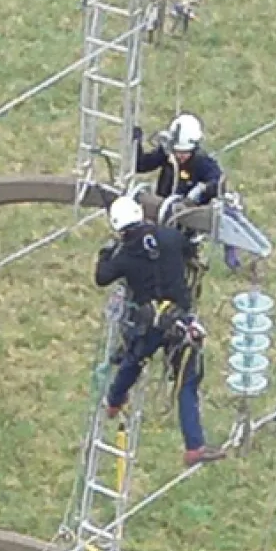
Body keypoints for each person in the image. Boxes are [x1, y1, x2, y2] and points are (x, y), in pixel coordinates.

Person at [95, 194, 226, 466]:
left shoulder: (124, 257)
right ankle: (194, 446)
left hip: (151, 322)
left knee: (134, 360)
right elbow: (190, 253)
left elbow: (102, 277)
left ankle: (114, 400)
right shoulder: (170, 237)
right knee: (186, 384)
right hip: (179, 321)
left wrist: (106, 252)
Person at [135, 113, 224, 210]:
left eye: (185, 153)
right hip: (162, 209)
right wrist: (136, 143)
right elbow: (141, 165)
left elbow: (218, 182)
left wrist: (202, 190)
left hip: (187, 215)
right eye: (177, 151)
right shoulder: (167, 153)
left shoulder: (202, 162)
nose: (179, 156)